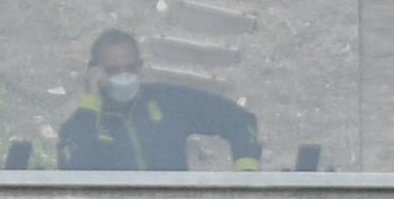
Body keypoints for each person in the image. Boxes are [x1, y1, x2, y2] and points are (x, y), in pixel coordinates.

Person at [57, 28, 261, 171]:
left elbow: (239, 119)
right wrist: (91, 98)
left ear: (140, 65)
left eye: (130, 67)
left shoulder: (168, 102)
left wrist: (247, 170)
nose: (124, 75)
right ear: (95, 70)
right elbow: (72, 169)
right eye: (113, 70)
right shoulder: (82, 123)